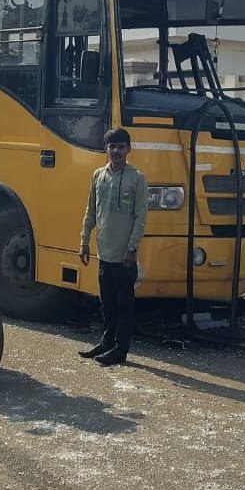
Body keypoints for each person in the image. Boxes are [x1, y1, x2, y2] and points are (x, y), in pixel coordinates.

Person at [79, 128, 148, 366]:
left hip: (124, 256)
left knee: (123, 303)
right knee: (106, 302)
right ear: (106, 149)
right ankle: (107, 342)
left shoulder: (137, 178)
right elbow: (91, 211)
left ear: (128, 149)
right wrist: (84, 241)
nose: (116, 151)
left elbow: (140, 217)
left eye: (121, 146)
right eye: (112, 146)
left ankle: (121, 349)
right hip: (103, 252)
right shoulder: (98, 175)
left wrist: (132, 248)